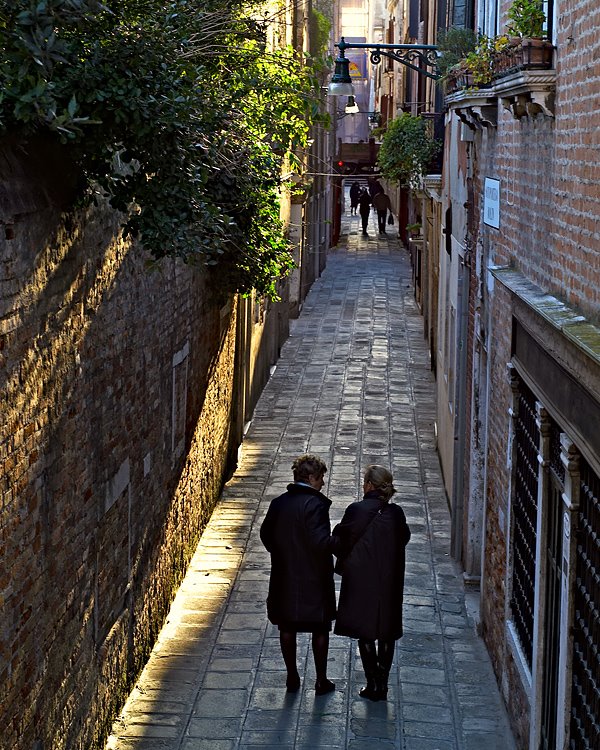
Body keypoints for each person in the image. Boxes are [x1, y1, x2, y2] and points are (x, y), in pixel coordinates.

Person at [331, 465, 411, 701]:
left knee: (365, 630)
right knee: (387, 630)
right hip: (389, 579)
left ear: (368, 485)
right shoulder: (396, 513)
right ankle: (382, 684)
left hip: (361, 579)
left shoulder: (356, 510)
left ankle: (373, 682)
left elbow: (340, 540)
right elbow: (403, 538)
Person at [260, 454, 336, 695]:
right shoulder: (316, 505)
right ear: (312, 478)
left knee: (287, 626)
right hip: (313, 577)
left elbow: (266, 535)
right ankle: (321, 680)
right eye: (321, 478)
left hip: (285, 575)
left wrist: (282, 554)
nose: (323, 483)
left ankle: (292, 676)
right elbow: (320, 542)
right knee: (320, 628)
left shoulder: (279, 503)